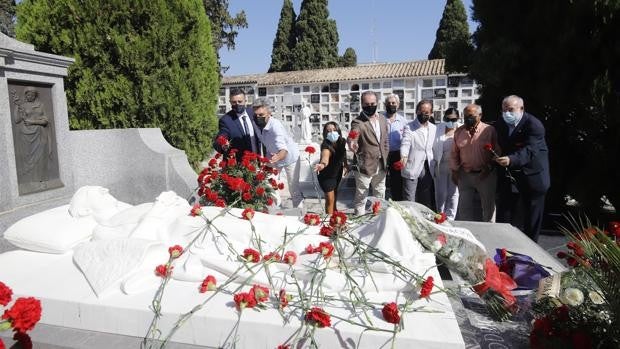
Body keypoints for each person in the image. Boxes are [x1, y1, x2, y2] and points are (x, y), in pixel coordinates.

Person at [494, 95, 550, 241]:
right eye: (504, 110)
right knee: (504, 213)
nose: (507, 113)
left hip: (533, 176)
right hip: (511, 176)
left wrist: (511, 159)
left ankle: (531, 253)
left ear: (521, 109)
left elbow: (529, 151)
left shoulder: (534, 125)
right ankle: (503, 247)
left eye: (511, 110)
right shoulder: (501, 123)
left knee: (531, 219)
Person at [450, 104, 499, 222]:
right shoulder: (459, 132)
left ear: (480, 115)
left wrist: (489, 167)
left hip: (485, 174)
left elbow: (497, 151)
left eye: (471, 116)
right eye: (465, 116)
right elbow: (454, 153)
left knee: (488, 208)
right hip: (465, 174)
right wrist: (454, 170)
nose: (468, 118)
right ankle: (467, 234)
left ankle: (489, 235)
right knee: (464, 208)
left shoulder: (489, 130)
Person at [252, 98, 304, 209]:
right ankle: (277, 210)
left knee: (293, 187)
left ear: (269, 114)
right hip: (272, 156)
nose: (258, 118)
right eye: (256, 115)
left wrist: (277, 157)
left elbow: (284, 150)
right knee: (268, 184)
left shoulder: (275, 126)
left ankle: (299, 213)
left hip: (289, 157)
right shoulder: (255, 123)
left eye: (261, 115)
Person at [348, 91, 389, 216]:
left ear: (377, 103)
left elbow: (385, 138)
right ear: (361, 104)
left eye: (373, 103)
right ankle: (360, 221)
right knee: (361, 196)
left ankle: (378, 219)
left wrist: (386, 155)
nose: (370, 106)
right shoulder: (358, 122)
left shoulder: (382, 118)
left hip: (381, 164)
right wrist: (352, 142)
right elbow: (353, 135)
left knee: (380, 194)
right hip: (365, 165)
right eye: (367, 104)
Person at [400, 100, 437, 209]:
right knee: (409, 197)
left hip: (428, 166)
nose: (424, 114)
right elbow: (405, 143)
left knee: (425, 197)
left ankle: (424, 219)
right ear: (416, 111)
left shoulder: (434, 128)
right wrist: (404, 156)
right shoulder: (409, 127)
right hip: (412, 164)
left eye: (427, 112)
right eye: (421, 111)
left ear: (431, 113)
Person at [12, 86, 51, 183]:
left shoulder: (40, 105)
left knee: (41, 158)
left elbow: (46, 120)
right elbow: (17, 120)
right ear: (26, 95)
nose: (30, 96)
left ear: (35, 96)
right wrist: (17, 105)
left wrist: (33, 122)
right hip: (26, 137)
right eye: (28, 95)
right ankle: (29, 181)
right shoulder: (23, 106)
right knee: (27, 159)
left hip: (40, 134)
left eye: (32, 95)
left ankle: (41, 180)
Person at [213, 88, 259, 158]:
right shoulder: (226, 120)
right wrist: (222, 144)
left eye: (240, 101)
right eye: (234, 102)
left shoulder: (253, 113)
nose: (237, 104)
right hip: (239, 165)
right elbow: (222, 136)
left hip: (257, 160)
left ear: (245, 101)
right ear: (230, 102)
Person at [314, 122, 349, 214]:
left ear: (338, 131)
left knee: (335, 193)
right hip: (326, 175)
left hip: (337, 172)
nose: (332, 132)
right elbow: (325, 157)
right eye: (329, 131)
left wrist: (345, 164)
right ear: (325, 133)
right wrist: (322, 165)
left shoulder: (342, 141)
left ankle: (335, 212)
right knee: (330, 199)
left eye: (334, 130)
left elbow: (343, 153)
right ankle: (329, 220)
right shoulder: (325, 145)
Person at [432, 108, 460, 220]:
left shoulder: (461, 128)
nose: (451, 122)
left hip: (455, 166)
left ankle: (451, 217)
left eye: (454, 119)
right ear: (444, 118)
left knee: (454, 192)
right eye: (447, 119)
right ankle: (440, 214)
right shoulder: (437, 129)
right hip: (440, 165)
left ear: (458, 118)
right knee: (441, 192)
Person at [384, 94, 408, 201]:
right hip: (383, 154)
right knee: (380, 181)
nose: (391, 105)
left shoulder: (403, 121)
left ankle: (396, 202)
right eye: (389, 103)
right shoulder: (380, 119)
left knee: (396, 181)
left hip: (397, 154)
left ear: (398, 105)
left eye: (393, 103)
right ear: (385, 105)